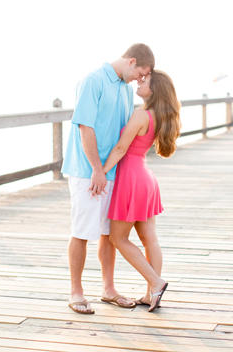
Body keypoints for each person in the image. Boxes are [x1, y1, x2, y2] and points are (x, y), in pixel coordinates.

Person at [61, 44, 155, 314]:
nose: (140, 79)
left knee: (107, 234)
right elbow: (85, 126)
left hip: (114, 172)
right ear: (132, 61)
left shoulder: (126, 88)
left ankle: (108, 289)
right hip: (87, 172)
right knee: (81, 232)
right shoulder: (93, 81)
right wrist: (97, 169)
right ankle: (76, 293)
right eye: (141, 73)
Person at [102, 70, 182, 312]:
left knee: (117, 238)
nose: (139, 81)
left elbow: (119, 149)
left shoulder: (140, 115)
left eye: (144, 80)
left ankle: (156, 283)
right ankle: (151, 294)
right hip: (146, 179)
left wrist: (101, 173)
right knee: (150, 240)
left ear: (154, 89)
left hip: (131, 180)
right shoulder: (161, 116)